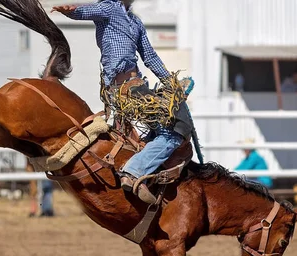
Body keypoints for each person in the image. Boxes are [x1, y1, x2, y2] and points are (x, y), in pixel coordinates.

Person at [53, 0, 197, 204]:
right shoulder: (109, 8)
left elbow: (150, 57)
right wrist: (71, 11)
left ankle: (148, 163)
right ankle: (134, 171)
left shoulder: (135, 22)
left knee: (169, 121)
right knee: (173, 132)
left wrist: (171, 83)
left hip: (136, 85)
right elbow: (86, 11)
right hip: (123, 89)